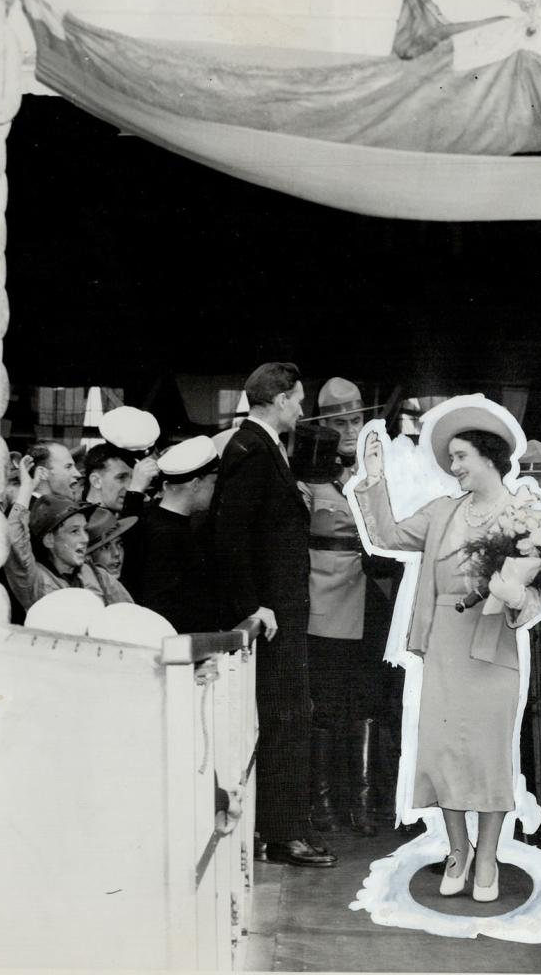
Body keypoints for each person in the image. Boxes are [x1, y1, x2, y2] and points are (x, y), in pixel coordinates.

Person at [353, 401, 541, 903]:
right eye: (450, 457)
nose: (455, 466)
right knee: (444, 751)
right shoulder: (442, 510)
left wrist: (518, 595)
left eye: (462, 455)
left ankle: (488, 855)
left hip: (495, 641)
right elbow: (385, 536)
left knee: (489, 752)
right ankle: (457, 850)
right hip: (446, 638)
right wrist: (374, 478)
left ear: (489, 456)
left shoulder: (525, 515)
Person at [213, 362, 336, 868]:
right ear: (280, 399)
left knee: (288, 718)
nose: (303, 409)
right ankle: (285, 835)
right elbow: (230, 536)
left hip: (279, 613)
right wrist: (252, 606)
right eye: (299, 399)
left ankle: (280, 830)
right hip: (272, 617)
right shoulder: (253, 451)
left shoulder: (262, 449)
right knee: (286, 720)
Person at [303, 377, 399, 838]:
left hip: (374, 603)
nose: (347, 429)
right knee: (326, 708)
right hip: (325, 608)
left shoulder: (383, 471)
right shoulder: (305, 474)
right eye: (337, 421)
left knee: (367, 704)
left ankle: (359, 802)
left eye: (354, 419)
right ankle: (323, 804)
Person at [5, 454, 133, 611]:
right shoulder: (35, 580)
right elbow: (15, 542)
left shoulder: (98, 576)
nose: (85, 539)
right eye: (74, 531)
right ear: (50, 540)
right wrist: (26, 489)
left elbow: (129, 617)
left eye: (84, 530)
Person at [127, 435, 222, 633]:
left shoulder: (154, 519)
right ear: (196, 484)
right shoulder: (168, 535)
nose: (215, 490)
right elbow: (163, 607)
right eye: (213, 482)